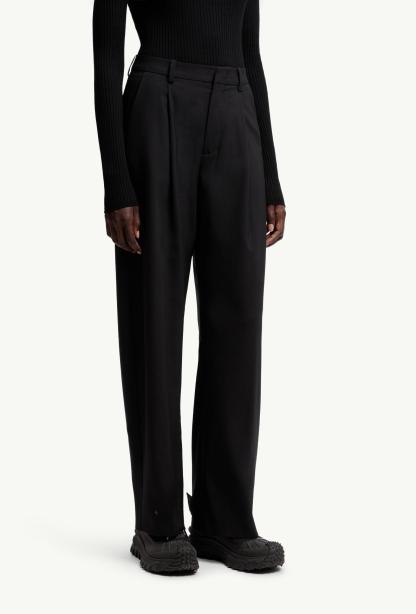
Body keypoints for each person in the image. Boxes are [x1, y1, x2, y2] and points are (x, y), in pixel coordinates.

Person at [93, 0, 286, 575]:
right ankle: (157, 522)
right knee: (154, 320)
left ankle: (225, 519)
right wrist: (117, 183)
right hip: (158, 104)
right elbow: (106, 57)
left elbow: (250, 52)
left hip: (236, 109)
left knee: (238, 324)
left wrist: (270, 176)